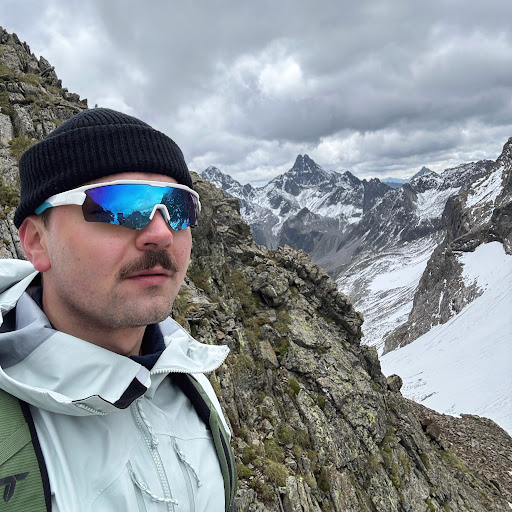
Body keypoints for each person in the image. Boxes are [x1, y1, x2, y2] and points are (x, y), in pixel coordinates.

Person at [0, 108, 236, 511]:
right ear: (37, 242)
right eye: (119, 205)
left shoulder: (191, 378)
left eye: (178, 207)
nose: (161, 233)